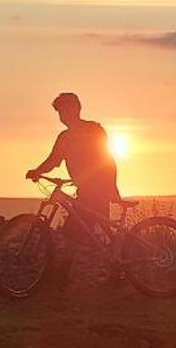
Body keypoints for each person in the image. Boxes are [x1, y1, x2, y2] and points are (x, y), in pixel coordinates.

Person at [25, 92, 122, 245]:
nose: (63, 116)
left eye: (65, 111)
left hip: (98, 190)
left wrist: (112, 188)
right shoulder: (64, 137)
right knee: (95, 232)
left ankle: (66, 267)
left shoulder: (93, 130)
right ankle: (115, 260)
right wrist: (37, 171)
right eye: (60, 113)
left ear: (77, 109)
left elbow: (107, 159)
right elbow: (53, 161)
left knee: (75, 234)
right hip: (86, 191)